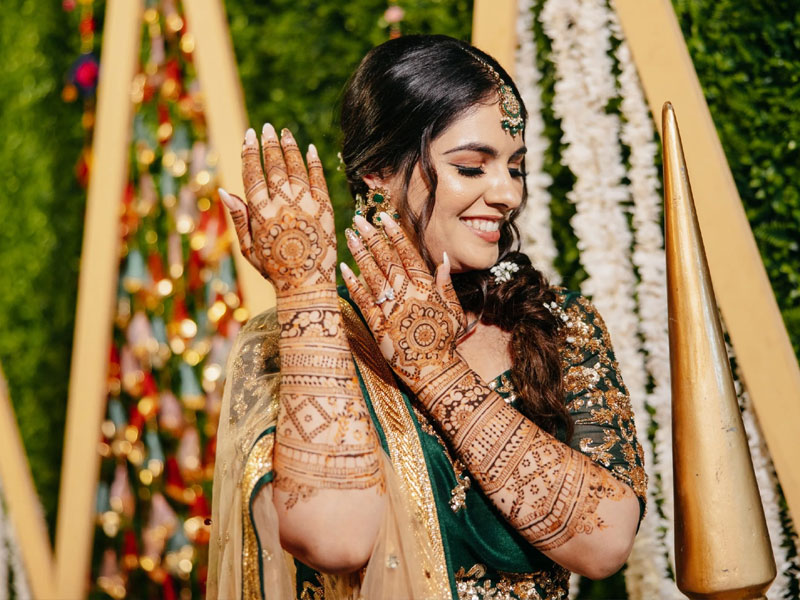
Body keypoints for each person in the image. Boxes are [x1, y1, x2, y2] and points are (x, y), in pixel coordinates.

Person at [208, 34, 647, 600]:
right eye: (471, 167)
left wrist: (435, 371)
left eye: (515, 168)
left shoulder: (557, 323)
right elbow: (336, 536)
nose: (507, 193)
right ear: (379, 173)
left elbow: (606, 541)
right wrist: (304, 289)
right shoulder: (297, 339)